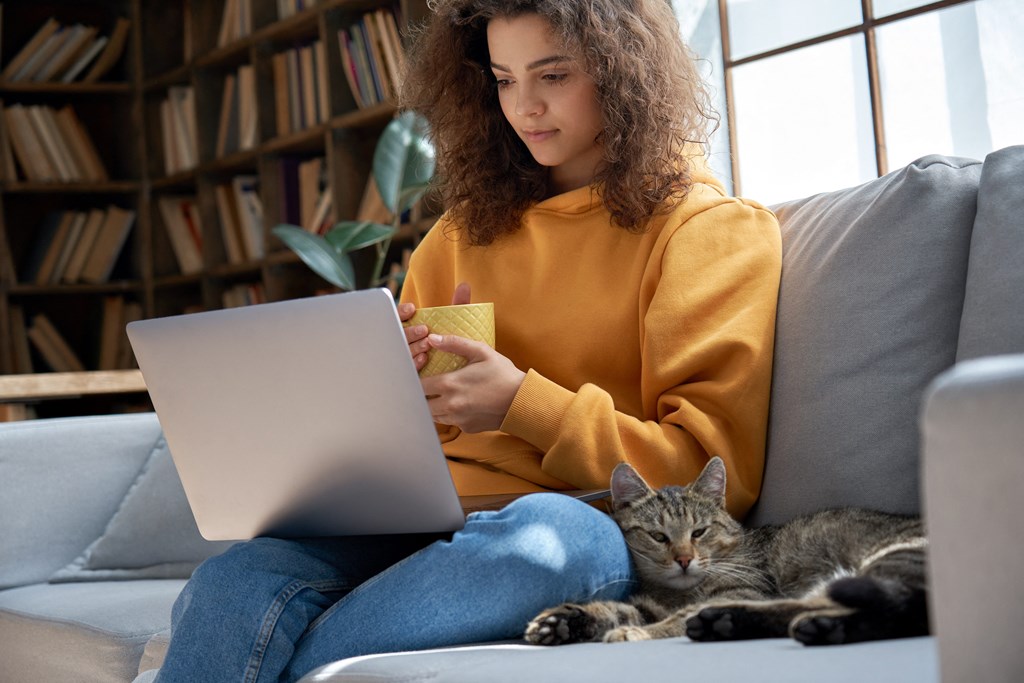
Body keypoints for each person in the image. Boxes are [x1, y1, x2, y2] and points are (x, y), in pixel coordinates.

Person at [148, 0, 781, 681]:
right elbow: (429, 428)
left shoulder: (707, 231)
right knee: (234, 579)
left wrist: (519, 402)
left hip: (577, 519)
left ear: (622, 72)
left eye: (553, 75)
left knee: (550, 543)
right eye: (504, 80)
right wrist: (391, 393)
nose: (525, 107)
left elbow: (711, 474)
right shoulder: (461, 232)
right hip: (416, 521)